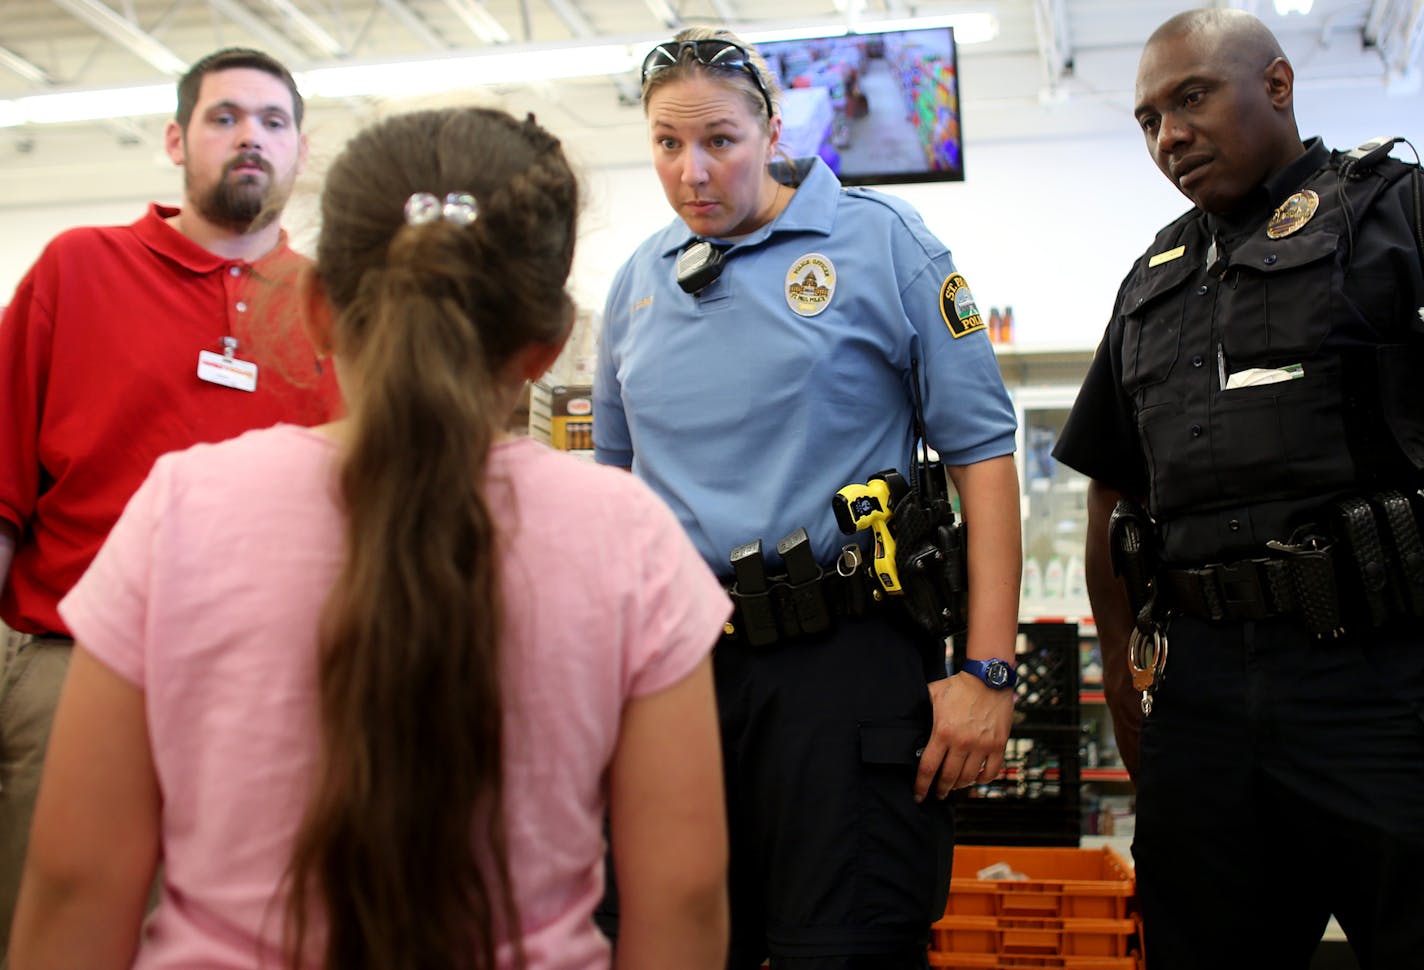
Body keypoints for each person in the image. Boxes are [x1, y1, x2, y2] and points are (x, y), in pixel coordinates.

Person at [8, 105, 732, 969]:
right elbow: (683, 904)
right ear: (548, 345)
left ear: (315, 310)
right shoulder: (630, 538)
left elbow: (79, 886)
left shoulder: (183, 509)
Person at [594, 26, 1022, 969]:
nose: (692, 171)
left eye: (719, 141)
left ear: (772, 128)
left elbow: (983, 456)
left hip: (844, 664)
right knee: (669, 946)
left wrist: (990, 672)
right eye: (668, 143)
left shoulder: (882, 241)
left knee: (847, 948)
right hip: (680, 678)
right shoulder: (636, 283)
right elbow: (611, 499)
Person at [1054, 8, 1424, 967]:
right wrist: (1134, 695)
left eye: (1191, 97)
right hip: (1203, 699)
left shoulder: (1395, 214)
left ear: (1278, 85)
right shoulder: (1151, 283)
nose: (1168, 135)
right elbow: (1112, 497)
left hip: (1383, 685)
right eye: (1146, 120)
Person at [0, 46, 342, 956]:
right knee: (56, 931)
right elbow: (1, 491)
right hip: (77, 668)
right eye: (224, 117)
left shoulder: (337, 308)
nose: (249, 139)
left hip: (277, 688)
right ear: (175, 139)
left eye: (272, 122)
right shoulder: (76, 270)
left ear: (301, 150)